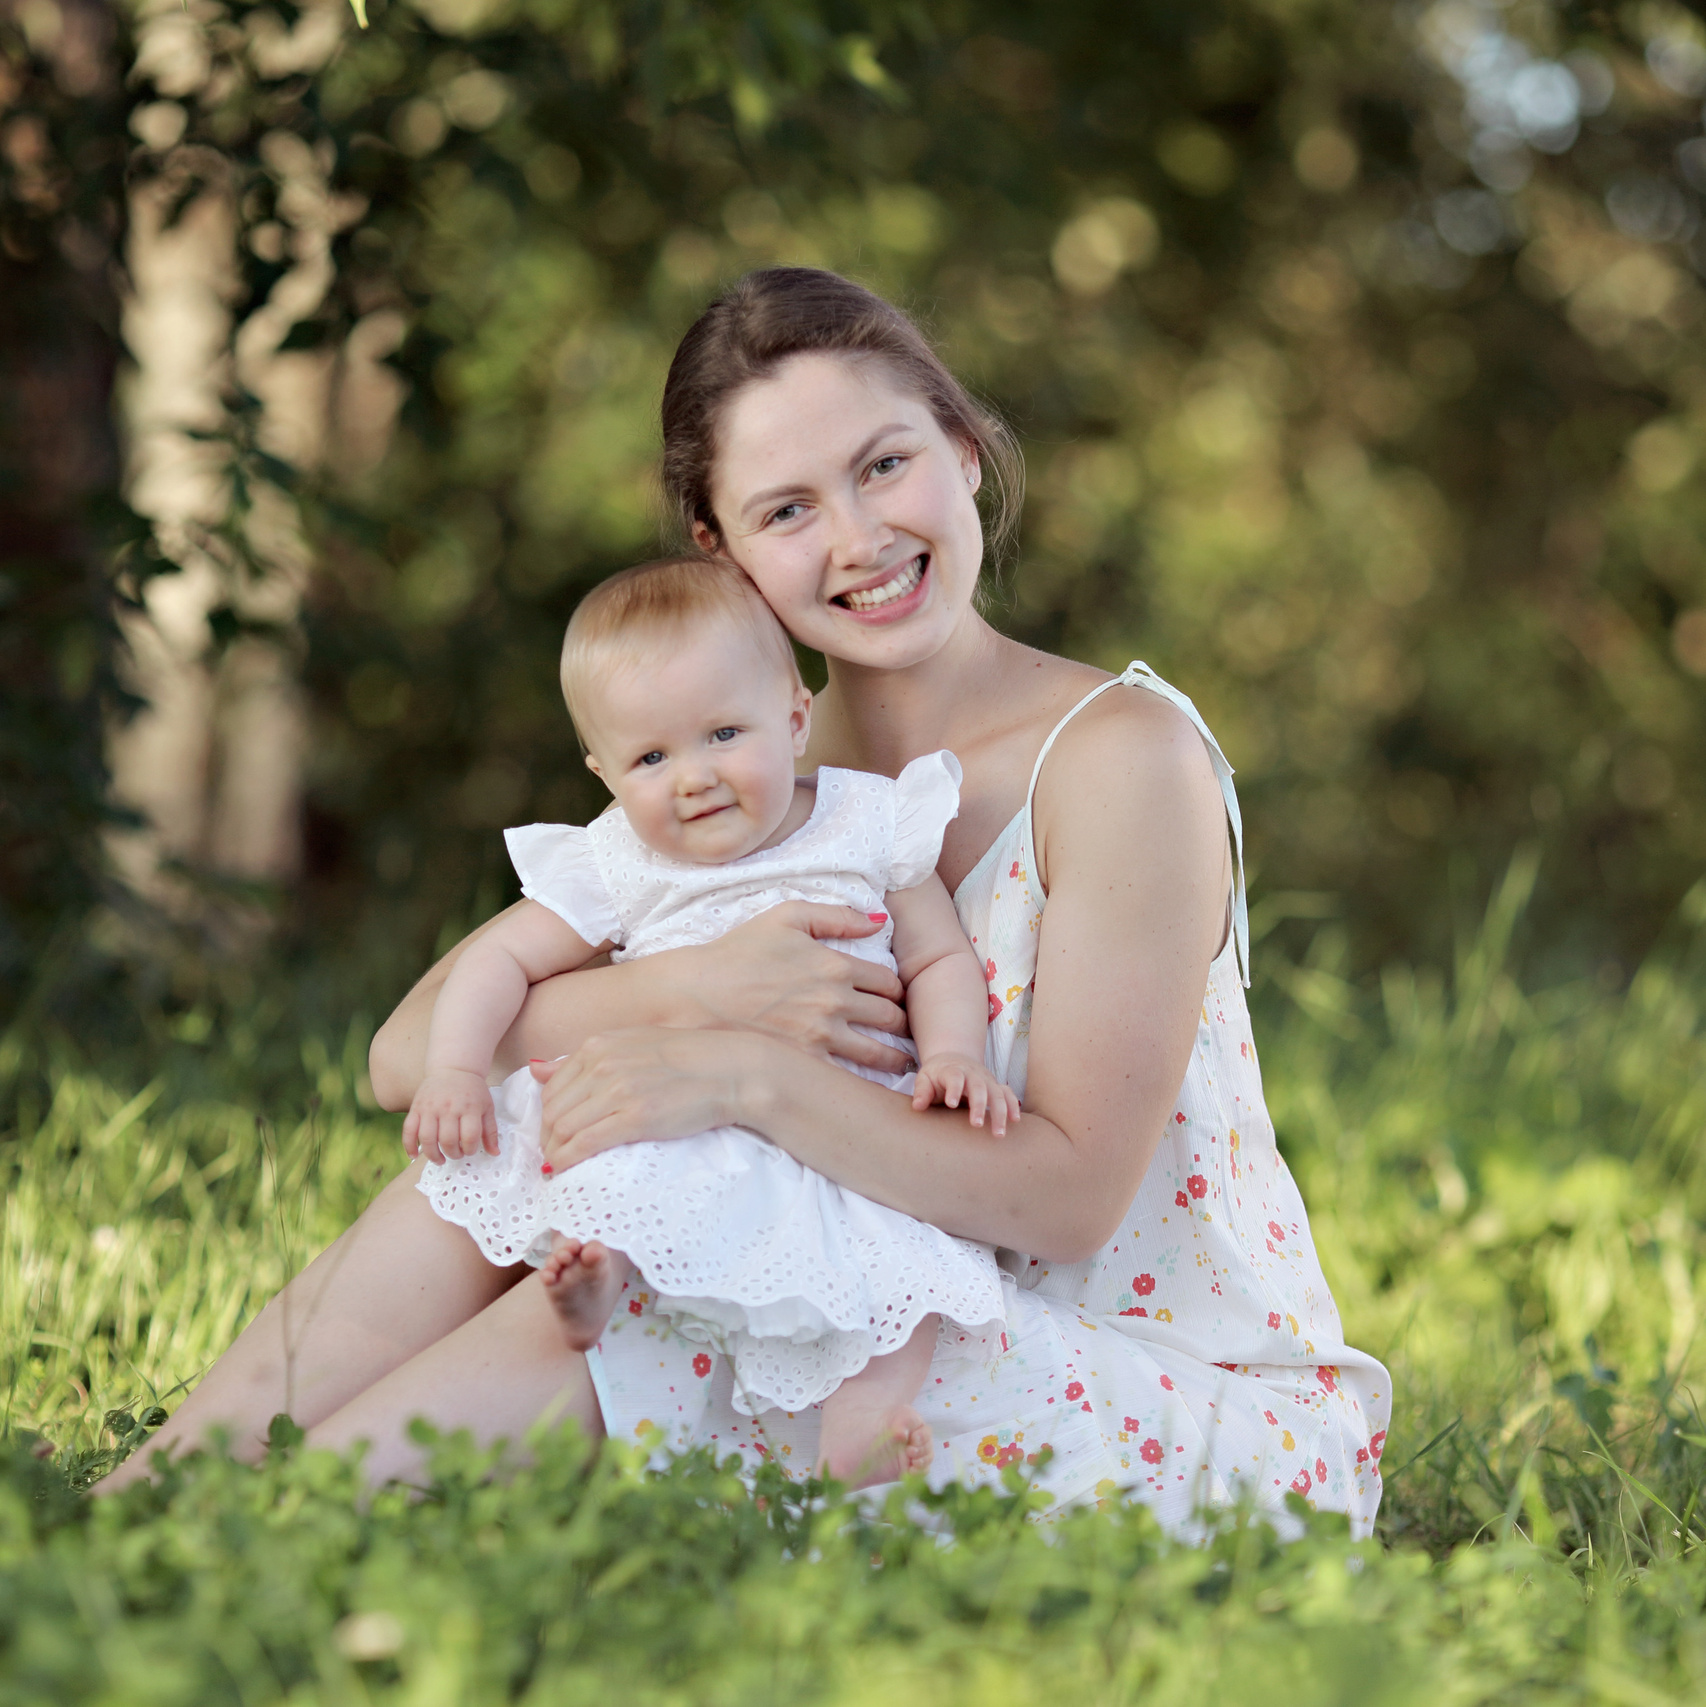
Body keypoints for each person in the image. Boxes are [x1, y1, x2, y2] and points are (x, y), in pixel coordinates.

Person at [99, 266, 1389, 1538]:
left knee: (664, 1279)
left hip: (1155, 1397)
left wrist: (731, 1072)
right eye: (786, 510)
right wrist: (677, 994)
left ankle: (233, 1548)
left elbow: (1066, 1202)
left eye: (885, 464)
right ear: (720, 551)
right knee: (517, 1148)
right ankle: (144, 1503)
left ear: (964, 450)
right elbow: (406, 1059)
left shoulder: (1120, 756)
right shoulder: (743, 763)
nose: (856, 539)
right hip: (841, 1323)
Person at [405, 553, 1016, 1486]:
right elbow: (496, 961)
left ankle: (864, 1427)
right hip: (679, 1111)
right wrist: (453, 1068)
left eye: (724, 733)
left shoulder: (866, 823)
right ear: (602, 770)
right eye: (651, 757)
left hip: (848, 1129)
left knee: (909, 1272)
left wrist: (953, 1053)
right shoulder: (621, 862)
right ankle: (595, 1278)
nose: (692, 777)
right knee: (629, 1181)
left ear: (796, 718)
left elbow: (936, 954)